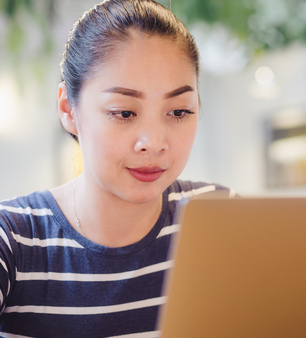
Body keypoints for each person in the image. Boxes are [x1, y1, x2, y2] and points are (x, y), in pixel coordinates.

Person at [0, 0, 234, 336]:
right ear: (68, 109)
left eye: (179, 112)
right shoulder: (13, 239)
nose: (153, 142)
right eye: (124, 112)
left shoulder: (220, 214)